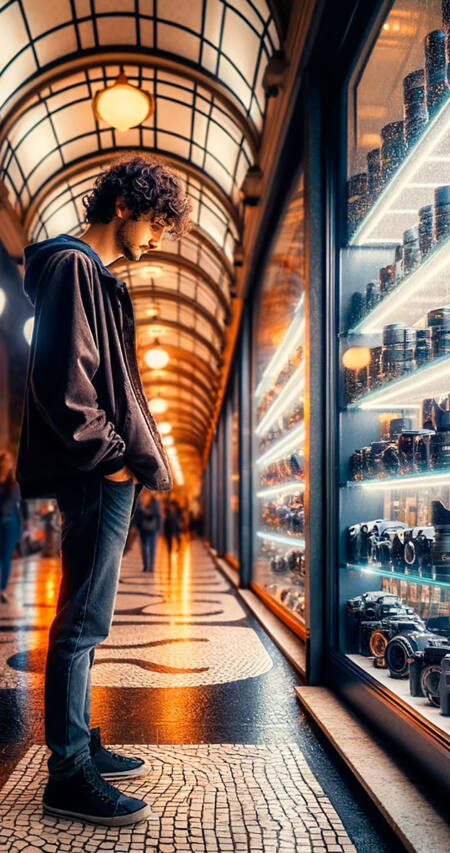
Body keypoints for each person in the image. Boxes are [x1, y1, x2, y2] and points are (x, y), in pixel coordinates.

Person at [16, 154, 191, 827]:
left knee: (88, 615)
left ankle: (78, 738)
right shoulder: (74, 266)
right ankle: (68, 772)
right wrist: (114, 459)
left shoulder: (86, 273)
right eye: (156, 223)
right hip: (97, 470)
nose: (155, 240)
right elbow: (67, 382)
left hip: (102, 469)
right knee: (82, 617)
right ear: (124, 205)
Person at [0, 451, 23, 603]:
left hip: (10, 524)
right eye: (5, 461)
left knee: (6, 558)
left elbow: (17, 506)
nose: (7, 464)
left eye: (9, 461)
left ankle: (2, 589)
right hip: (5, 522)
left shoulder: (13, 484)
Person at [133, 491, 162, 572]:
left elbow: (158, 515)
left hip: (149, 528)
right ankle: (148, 566)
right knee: (147, 548)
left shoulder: (151, 502)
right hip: (147, 528)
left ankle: (149, 567)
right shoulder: (143, 501)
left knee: (148, 548)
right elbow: (137, 515)